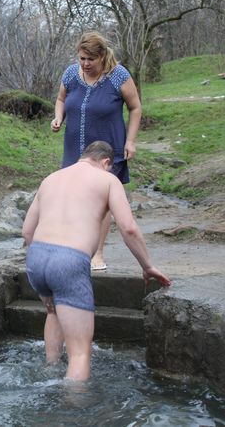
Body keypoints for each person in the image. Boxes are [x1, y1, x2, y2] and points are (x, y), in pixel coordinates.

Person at [22, 141, 171, 382]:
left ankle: (50, 369)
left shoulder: (50, 179)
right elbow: (128, 228)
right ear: (106, 162)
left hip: (36, 258)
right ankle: (74, 403)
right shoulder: (108, 180)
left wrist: (42, 261)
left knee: (53, 311)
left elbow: (27, 231)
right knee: (80, 353)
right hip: (69, 260)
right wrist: (147, 266)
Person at [50, 31, 142, 272]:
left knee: (100, 204)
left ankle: (97, 253)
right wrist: (58, 117)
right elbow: (61, 99)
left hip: (106, 150)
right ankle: (74, 249)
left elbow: (135, 107)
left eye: (91, 59)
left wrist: (131, 141)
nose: (85, 63)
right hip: (74, 149)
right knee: (72, 200)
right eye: (82, 58)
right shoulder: (71, 74)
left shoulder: (118, 75)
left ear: (102, 56)